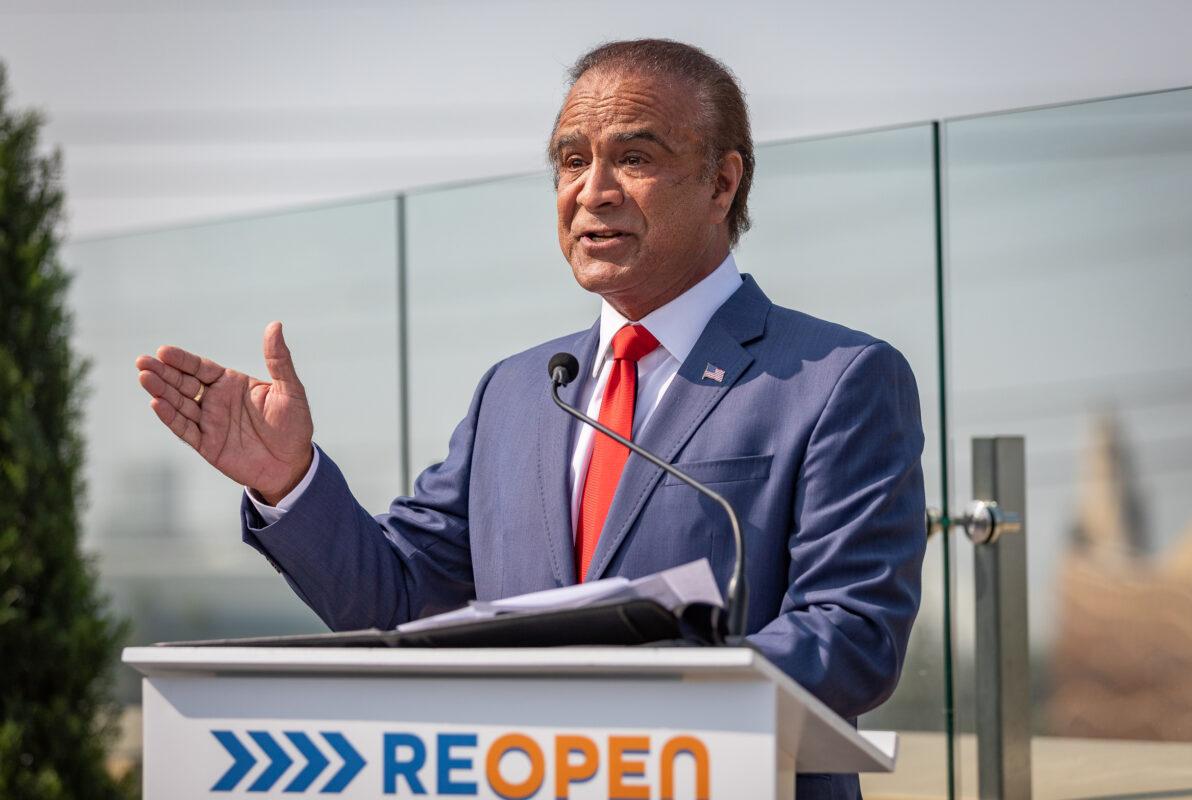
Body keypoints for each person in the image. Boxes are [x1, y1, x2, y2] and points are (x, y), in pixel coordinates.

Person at [134, 39, 925, 799]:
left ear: (722, 184)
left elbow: (852, 635)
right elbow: (398, 598)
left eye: (636, 158)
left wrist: (636, 699)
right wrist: (288, 481)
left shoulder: (836, 380)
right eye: (572, 161)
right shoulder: (517, 392)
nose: (593, 190)